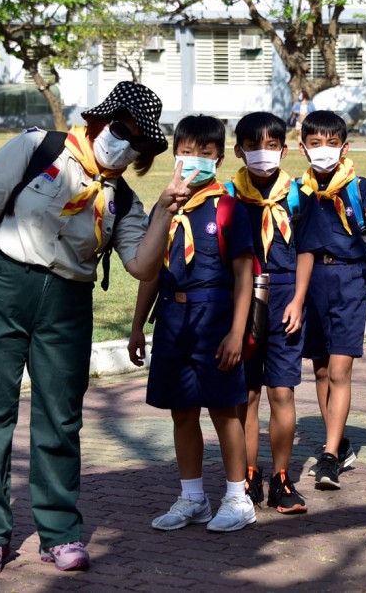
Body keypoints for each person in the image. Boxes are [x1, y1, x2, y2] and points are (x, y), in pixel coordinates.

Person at [0, 81, 191, 576]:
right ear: (99, 119)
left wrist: (165, 210)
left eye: (137, 143)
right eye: (120, 130)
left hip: (68, 303)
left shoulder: (122, 199)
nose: (124, 145)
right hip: (3, 286)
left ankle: (59, 533)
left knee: (60, 418)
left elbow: (143, 266)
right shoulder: (37, 147)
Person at [127, 115, 258, 533]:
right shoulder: (164, 208)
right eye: (186, 152)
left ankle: (238, 498)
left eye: (204, 154)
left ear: (219, 157)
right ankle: (192, 497)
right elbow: (150, 271)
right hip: (171, 321)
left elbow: (244, 275)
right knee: (181, 412)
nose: (194, 160)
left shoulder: (229, 207)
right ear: (175, 155)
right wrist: (136, 327)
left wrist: (238, 331)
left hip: (214, 319)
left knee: (224, 412)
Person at [228, 111, 322, 514]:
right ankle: (248, 475)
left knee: (281, 391)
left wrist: (299, 299)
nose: (262, 153)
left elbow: (307, 251)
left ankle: (282, 479)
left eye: (270, 146)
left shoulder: (300, 195)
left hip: (285, 298)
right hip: (243, 299)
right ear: (239, 150)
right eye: (252, 146)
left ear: (284, 150)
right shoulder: (228, 197)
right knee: (246, 395)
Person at [299, 110, 366, 489]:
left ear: (344, 146)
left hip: (350, 280)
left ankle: (328, 457)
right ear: (303, 146)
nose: (324, 150)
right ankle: (338, 444)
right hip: (312, 284)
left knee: (339, 371)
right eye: (315, 143)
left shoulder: (361, 187)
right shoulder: (298, 191)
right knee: (321, 370)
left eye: (331, 143)